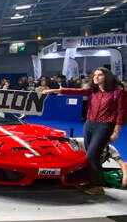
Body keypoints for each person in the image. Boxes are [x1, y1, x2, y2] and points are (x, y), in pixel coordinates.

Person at [44, 67, 127, 195]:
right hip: (89, 124)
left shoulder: (118, 92)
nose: (96, 77)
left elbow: (121, 113)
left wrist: (116, 131)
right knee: (89, 155)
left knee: (92, 155)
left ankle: (98, 185)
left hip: (105, 126)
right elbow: (75, 91)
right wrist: (54, 90)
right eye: (95, 75)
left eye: (99, 75)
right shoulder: (92, 91)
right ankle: (90, 180)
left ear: (107, 77)